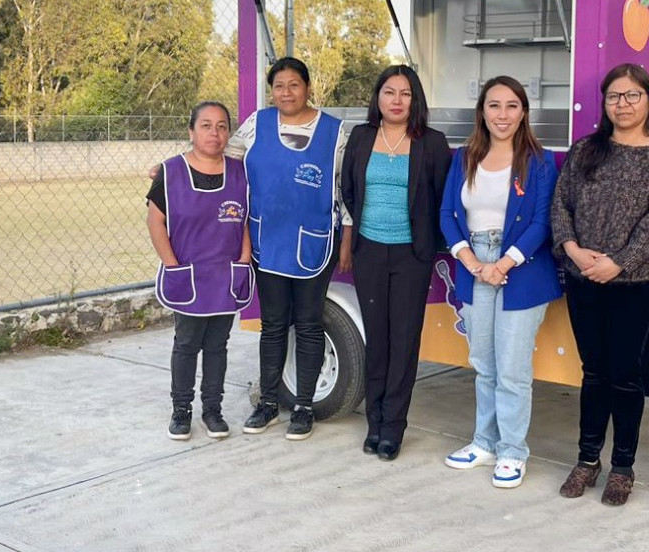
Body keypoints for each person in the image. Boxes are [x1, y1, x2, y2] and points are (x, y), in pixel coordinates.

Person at [551, 63, 649, 506]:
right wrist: (572, 249)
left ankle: (623, 466)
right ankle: (587, 459)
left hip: (635, 284)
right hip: (583, 279)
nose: (622, 104)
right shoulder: (586, 150)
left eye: (632, 96)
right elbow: (561, 205)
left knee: (626, 375)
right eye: (614, 96)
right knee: (593, 372)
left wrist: (619, 263)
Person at [439, 76, 559, 489]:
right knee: (484, 364)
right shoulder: (464, 157)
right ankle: (484, 443)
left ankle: (512, 452)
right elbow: (447, 214)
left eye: (511, 106)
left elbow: (542, 222)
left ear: (523, 112)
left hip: (521, 269)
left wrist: (503, 263)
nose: (502, 114)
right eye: (494, 105)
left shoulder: (539, 162)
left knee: (511, 369)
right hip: (473, 264)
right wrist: (473, 262)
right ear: (482, 112)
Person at [236, 57, 352, 441]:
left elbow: (345, 190)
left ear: (308, 87)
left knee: (308, 323)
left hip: (315, 242)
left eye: (294, 85)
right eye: (279, 86)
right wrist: (173, 170)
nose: (286, 93)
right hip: (267, 241)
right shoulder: (256, 125)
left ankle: (304, 407)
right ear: (272, 90)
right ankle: (268, 403)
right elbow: (221, 158)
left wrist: (347, 239)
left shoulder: (335, 133)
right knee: (272, 325)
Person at [340, 65, 450, 461]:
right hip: (369, 250)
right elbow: (348, 189)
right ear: (378, 97)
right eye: (389, 92)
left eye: (406, 93)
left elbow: (441, 198)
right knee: (377, 339)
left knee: (403, 341)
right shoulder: (361, 136)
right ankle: (374, 422)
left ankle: (393, 427)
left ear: (415, 99)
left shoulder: (432, 143)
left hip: (411, 255)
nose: (397, 100)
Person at [145, 101, 253, 441]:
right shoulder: (170, 172)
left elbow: (245, 219)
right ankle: (181, 411)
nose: (214, 133)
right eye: (206, 125)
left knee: (218, 345)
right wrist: (172, 265)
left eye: (221, 126)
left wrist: (245, 258)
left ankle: (212, 411)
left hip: (225, 275)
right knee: (187, 344)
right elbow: (155, 221)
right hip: (188, 274)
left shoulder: (240, 172)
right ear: (191, 131)